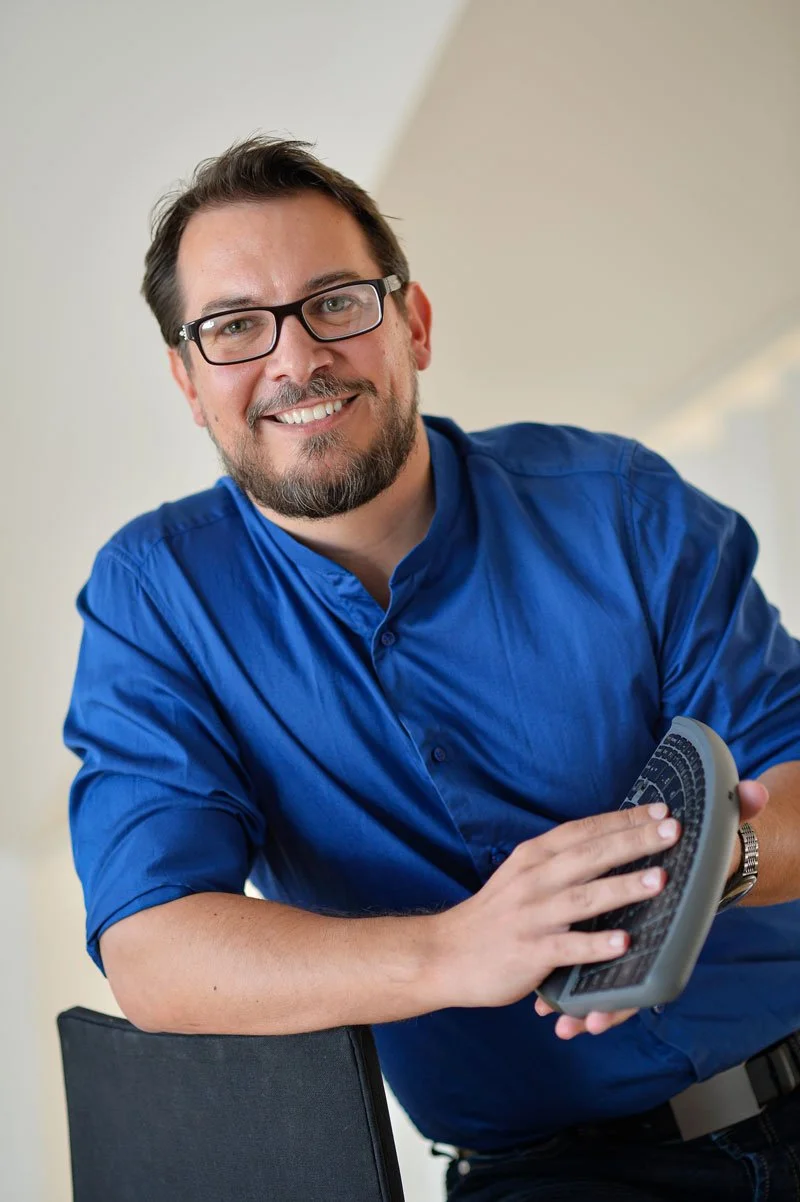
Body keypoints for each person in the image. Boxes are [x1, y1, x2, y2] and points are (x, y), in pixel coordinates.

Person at [64, 136, 800, 1201]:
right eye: (234, 327)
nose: (295, 358)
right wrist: (455, 949)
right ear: (188, 379)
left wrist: (702, 875)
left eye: (335, 302)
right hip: (543, 1178)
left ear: (410, 323)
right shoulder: (154, 596)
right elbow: (156, 949)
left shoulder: (621, 504)